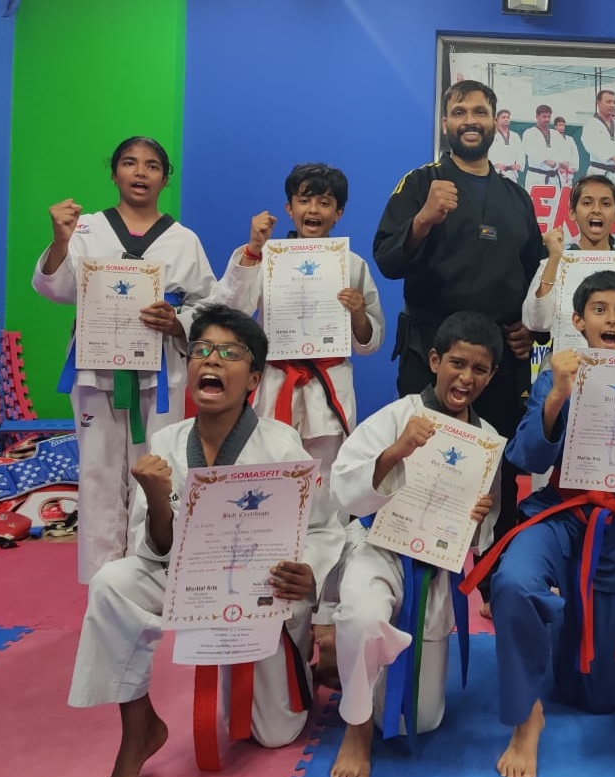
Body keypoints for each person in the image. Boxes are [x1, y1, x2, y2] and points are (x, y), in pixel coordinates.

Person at [67, 304, 343, 777]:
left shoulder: (282, 445)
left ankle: (302, 659)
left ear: (253, 378)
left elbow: (323, 527)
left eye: (230, 353)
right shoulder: (167, 441)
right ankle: (138, 728)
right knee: (112, 584)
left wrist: (310, 573)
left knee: (275, 735)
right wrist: (157, 499)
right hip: (187, 579)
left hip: (260, 594)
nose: (211, 360)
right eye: (202, 350)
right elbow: (154, 552)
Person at [461, 270, 615, 777]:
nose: (612, 319)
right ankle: (525, 716)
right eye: (599, 309)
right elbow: (524, 457)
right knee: (513, 582)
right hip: (557, 513)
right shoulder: (559, 372)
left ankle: (562, 628)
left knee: (598, 696)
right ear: (579, 321)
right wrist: (556, 396)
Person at [34, 136, 258, 584]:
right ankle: (102, 581)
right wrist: (60, 240)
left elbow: (208, 304)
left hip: (160, 372)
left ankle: (149, 572)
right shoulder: (86, 229)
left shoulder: (183, 239)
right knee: (97, 472)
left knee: (156, 467)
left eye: (152, 165)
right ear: (114, 171)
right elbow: (55, 289)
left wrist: (178, 321)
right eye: (130, 163)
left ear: (165, 178)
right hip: (96, 368)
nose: (140, 172)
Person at [372, 79, 543, 614]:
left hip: (499, 359)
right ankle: (415, 577)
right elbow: (388, 260)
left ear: (496, 122)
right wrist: (424, 218)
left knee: (501, 468)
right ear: (446, 122)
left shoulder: (516, 197)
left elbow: (535, 275)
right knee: (421, 461)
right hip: (431, 349)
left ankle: (496, 580)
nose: (470, 120)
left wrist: (529, 328)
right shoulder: (421, 182)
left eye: (480, 111)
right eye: (459, 111)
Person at [326, 312, 503, 777]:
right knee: (363, 617)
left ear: (491, 377)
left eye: (479, 369)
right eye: (457, 363)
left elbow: (482, 536)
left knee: (418, 721)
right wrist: (395, 453)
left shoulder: (487, 442)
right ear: (434, 360)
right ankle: (356, 728)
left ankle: (353, 664)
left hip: (435, 567)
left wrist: (477, 519)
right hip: (379, 548)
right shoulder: (398, 416)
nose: (466, 378)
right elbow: (343, 488)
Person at [227, 162, 385, 476]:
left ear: (338, 213)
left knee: (324, 478)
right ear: (289, 208)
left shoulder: (352, 265)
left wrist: (357, 313)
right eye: (304, 201)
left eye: (324, 202)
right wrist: (254, 249)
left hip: (327, 384)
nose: (313, 210)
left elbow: (370, 343)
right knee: (268, 472)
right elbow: (234, 310)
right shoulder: (267, 258)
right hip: (276, 378)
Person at [522, 175, 615, 350]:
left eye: (606, 204)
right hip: (563, 363)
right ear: (572, 212)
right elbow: (537, 323)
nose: (596, 210)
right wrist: (554, 260)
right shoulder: (553, 264)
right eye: (587, 203)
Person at [523, 104, 564, 190]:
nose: (547, 119)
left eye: (549, 117)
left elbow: (563, 150)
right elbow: (530, 150)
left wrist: (560, 162)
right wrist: (546, 161)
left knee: (555, 199)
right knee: (535, 199)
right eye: (544, 117)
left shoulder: (555, 134)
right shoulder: (530, 133)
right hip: (537, 177)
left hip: (553, 177)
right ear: (537, 116)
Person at [490, 108, 525, 183]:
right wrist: (495, 164)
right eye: (503, 117)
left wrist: (519, 164)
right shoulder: (491, 135)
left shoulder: (515, 136)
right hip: (496, 171)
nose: (506, 119)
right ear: (497, 119)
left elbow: (521, 153)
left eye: (508, 117)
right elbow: (488, 153)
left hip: (512, 173)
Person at [553, 116, 580, 186]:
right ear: (555, 126)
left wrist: (573, 168)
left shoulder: (570, 139)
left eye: (563, 125)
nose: (562, 127)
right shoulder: (552, 139)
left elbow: (575, 154)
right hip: (558, 170)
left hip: (569, 170)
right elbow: (552, 154)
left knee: (568, 189)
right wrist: (558, 167)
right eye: (560, 125)